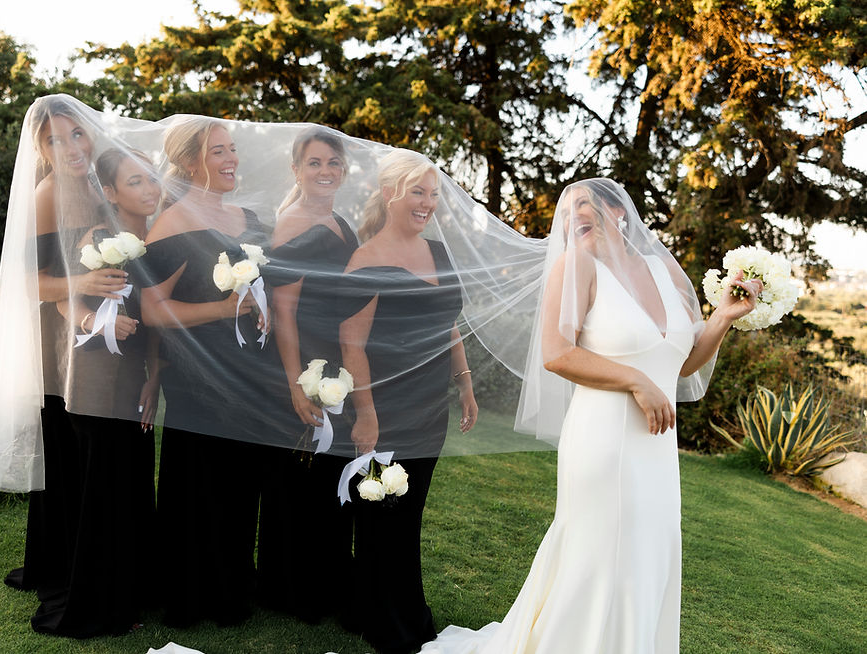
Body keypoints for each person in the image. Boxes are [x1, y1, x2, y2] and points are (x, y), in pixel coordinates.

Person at [420, 178, 761, 654]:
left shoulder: (663, 268)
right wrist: (635, 381)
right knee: (601, 553)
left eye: (585, 203)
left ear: (618, 212)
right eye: (567, 209)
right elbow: (557, 355)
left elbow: (677, 361)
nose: (574, 214)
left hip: (655, 447)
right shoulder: (576, 266)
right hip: (604, 440)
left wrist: (722, 318)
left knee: (648, 553)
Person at [138, 116, 299, 628]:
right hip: (200, 374)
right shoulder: (172, 224)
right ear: (190, 163)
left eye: (233, 150)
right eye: (219, 152)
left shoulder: (248, 216)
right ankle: (191, 593)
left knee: (241, 482)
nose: (232, 160)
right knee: (199, 484)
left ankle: (231, 588)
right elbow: (151, 310)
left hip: (252, 367)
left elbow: (266, 284)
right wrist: (221, 312)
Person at [339, 149, 479, 654]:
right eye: (417, 192)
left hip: (430, 403)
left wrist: (463, 380)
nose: (427, 203)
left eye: (434, 193)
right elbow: (351, 341)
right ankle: (383, 617)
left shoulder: (438, 252)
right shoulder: (367, 258)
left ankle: (388, 606)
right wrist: (367, 413)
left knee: (409, 508)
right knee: (382, 511)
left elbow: (448, 322)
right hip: (386, 403)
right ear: (389, 193)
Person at [0, 97, 130, 624]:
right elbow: (25, 281)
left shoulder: (99, 187)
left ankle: (92, 562)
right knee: (77, 454)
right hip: (65, 346)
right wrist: (80, 285)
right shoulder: (49, 193)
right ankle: (75, 572)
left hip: (109, 341)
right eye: (56, 140)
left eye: (78, 135)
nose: (73, 147)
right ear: (42, 150)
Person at [256, 127, 359, 623]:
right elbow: (284, 309)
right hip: (305, 362)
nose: (325, 172)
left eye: (333, 163)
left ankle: (329, 580)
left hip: (339, 357)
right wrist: (297, 382)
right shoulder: (293, 222)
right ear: (296, 170)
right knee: (300, 475)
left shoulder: (340, 220)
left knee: (330, 473)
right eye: (314, 163)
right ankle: (293, 589)